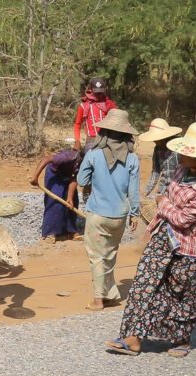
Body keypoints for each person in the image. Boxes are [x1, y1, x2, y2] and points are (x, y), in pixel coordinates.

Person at [105, 122, 196, 358]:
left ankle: (180, 339)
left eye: (188, 152)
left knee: (180, 293)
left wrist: (163, 204)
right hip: (163, 236)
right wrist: (165, 205)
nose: (181, 155)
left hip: (189, 247)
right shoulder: (181, 171)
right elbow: (168, 197)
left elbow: (183, 219)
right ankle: (132, 337)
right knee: (143, 284)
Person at [76, 108, 140, 311]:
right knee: (110, 254)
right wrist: (135, 213)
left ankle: (98, 299)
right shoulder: (133, 159)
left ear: (104, 132)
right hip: (119, 215)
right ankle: (111, 294)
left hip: (97, 214)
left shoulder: (94, 155)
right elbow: (133, 191)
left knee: (96, 256)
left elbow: (81, 180)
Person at [28, 146, 81, 243]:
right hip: (54, 175)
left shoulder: (84, 164)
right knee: (55, 202)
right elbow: (46, 159)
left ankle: (70, 231)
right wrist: (35, 176)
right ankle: (50, 233)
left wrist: (69, 198)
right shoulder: (67, 156)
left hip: (68, 176)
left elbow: (74, 179)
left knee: (73, 202)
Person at [137, 118, 182, 198]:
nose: (156, 141)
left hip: (178, 189)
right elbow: (156, 171)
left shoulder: (178, 147)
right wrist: (147, 191)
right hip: (163, 189)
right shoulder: (157, 149)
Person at [72, 77, 118, 152]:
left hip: (107, 139)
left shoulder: (109, 104)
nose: (99, 95)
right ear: (91, 90)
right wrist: (77, 141)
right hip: (91, 140)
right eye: (96, 92)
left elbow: (116, 121)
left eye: (100, 92)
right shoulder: (84, 106)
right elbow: (77, 124)